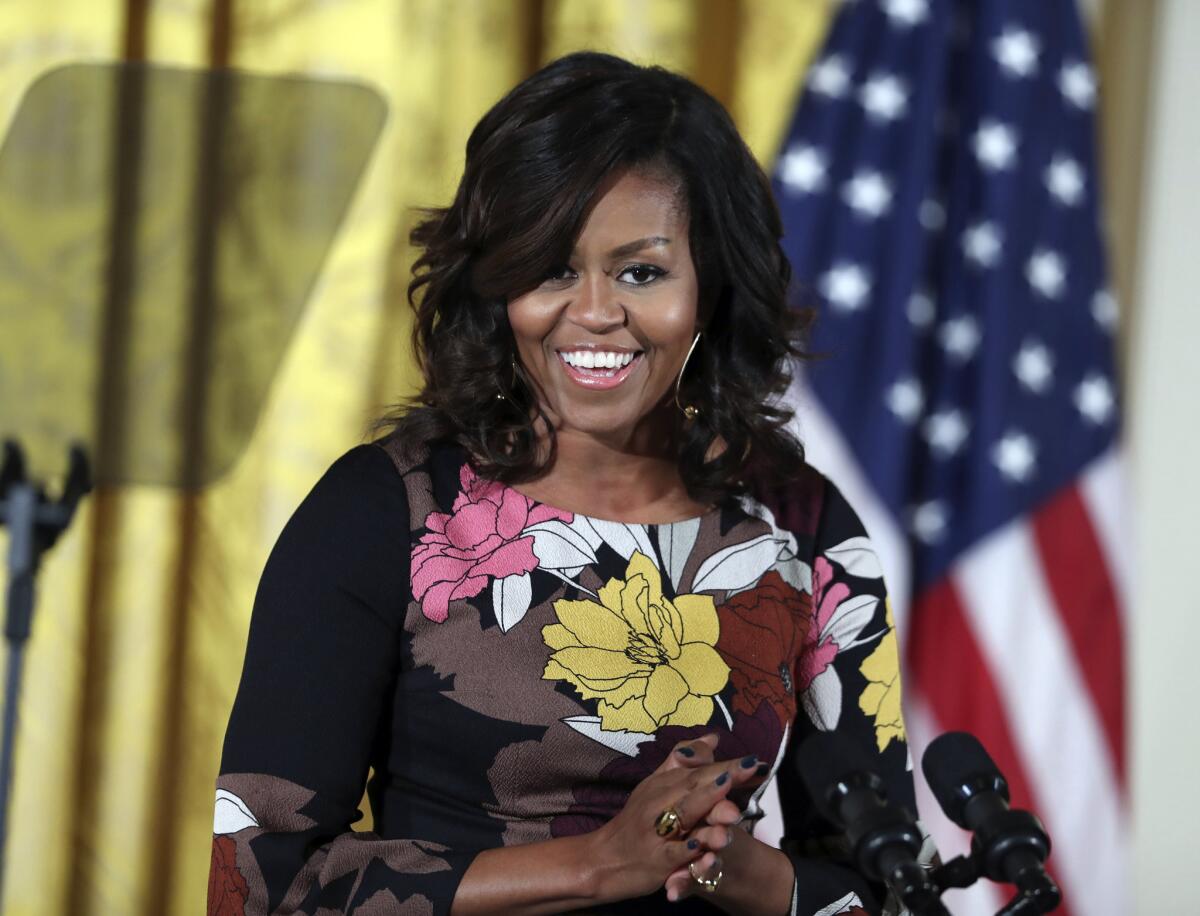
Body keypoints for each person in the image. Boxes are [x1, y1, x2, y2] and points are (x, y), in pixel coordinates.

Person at [208, 51, 916, 916]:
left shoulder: (799, 527)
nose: (593, 314)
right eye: (550, 268)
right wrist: (597, 865)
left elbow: (890, 892)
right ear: (496, 282)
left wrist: (740, 871)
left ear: (711, 286)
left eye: (642, 272)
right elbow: (258, 883)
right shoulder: (383, 511)